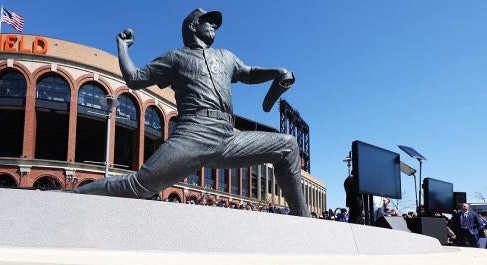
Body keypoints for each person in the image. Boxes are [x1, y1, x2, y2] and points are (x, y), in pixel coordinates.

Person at [74, 9, 310, 217]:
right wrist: (122, 47)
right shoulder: (176, 58)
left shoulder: (226, 56)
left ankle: (305, 224)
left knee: (288, 145)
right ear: (192, 26)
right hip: (193, 133)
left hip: (228, 137)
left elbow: (249, 73)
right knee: (139, 185)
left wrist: (276, 72)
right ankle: (69, 196)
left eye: (215, 23)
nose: (214, 25)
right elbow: (134, 79)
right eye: (208, 21)